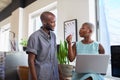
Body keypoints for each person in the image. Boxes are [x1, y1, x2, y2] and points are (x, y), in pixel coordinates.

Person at [26, 11, 59, 80]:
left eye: (55, 22)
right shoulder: (34, 37)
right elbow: (30, 61)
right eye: (52, 22)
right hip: (40, 76)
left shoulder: (53, 36)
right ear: (44, 22)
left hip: (53, 75)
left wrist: (60, 74)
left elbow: (54, 57)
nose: (54, 24)